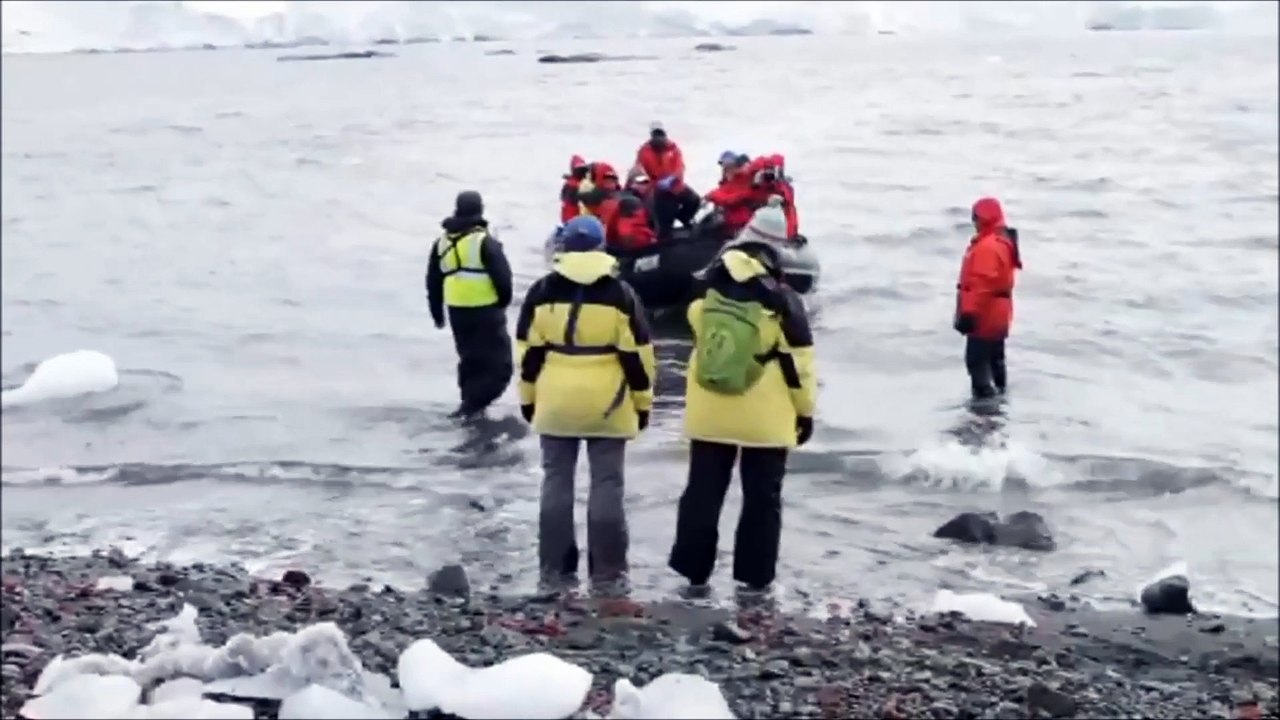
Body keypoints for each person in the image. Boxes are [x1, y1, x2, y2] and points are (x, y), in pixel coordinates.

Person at [667, 207, 818, 595]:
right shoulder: (784, 300)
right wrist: (805, 413)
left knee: (703, 489)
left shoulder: (705, 287)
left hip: (709, 412)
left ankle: (692, 573)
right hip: (765, 419)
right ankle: (754, 580)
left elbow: (695, 329)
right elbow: (800, 365)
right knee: (761, 499)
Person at [515, 215, 657, 587]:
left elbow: (528, 356)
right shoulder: (621, 294)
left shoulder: (541, 292)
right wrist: (643, 404)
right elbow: (638, 357)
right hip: (608, 403)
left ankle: (554, 569)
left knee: (556, 481)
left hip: (555, 400)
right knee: (607, 483)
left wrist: (528, 400)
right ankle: (608, 572)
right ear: (600, 247)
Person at [426, 190, 515, 419]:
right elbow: (503, 278)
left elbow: (433, 281)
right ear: (480, 209)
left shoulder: (441, 242)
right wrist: (503, 303)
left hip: (457, 311)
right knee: (500, 366)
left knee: (470, 360)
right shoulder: (484, 241)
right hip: (486, 311)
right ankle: (473, 406)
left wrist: (437, 314)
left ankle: (470, 404)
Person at [954, 197, 1022, 399]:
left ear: (984, 218)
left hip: (984, 316)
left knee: (977, 362)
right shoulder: (1002, 242)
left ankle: (983, 413)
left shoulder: (987, 247)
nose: (974, 223)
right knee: (995, 361)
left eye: (976, 218)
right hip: (999, 315)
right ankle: (999, 407)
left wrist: (968, 314)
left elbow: (981, 285)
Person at [629, 121, 700, 239]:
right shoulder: (644, 151)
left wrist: (672, 179)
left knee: (694, 201)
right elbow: (640, 170)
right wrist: (650, 184)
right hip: (659, 190)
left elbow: (680, 167)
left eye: (660, 134)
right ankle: (665, 239)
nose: (658, 137)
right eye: (656, 134)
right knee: (666, 219)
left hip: (676, 185)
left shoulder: (673, 148)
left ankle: (683, 218)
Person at [703, 151, 757, 237]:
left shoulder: (744, 181)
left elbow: (732, 200)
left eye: (729, 166)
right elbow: (721, 191)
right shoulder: (727, 182)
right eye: (724, 166)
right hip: (728, 221)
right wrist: (707, 197)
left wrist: (712, 196)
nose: (726, 169)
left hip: (741, 225)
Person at [747, 155, 800, 239]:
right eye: (766, 171)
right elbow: (750, 201)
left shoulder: (784, 187)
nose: (769, 175)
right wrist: (756, 183)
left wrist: (778, 180)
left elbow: (787, 199)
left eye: (772, 171)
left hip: (784, 234)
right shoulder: (755, 187)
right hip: (757, 231)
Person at [611, 176, 658, 250]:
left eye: (645, 184)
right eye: (641, 184)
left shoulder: (651, 197)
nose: (644, 186)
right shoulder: (626, 200)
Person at [560, 155, 591, 224]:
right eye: (579, 170)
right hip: (573, 220)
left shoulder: (570, 184)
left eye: (583, 170)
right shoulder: (572, 185)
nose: (581, 172)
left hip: (572, 219)